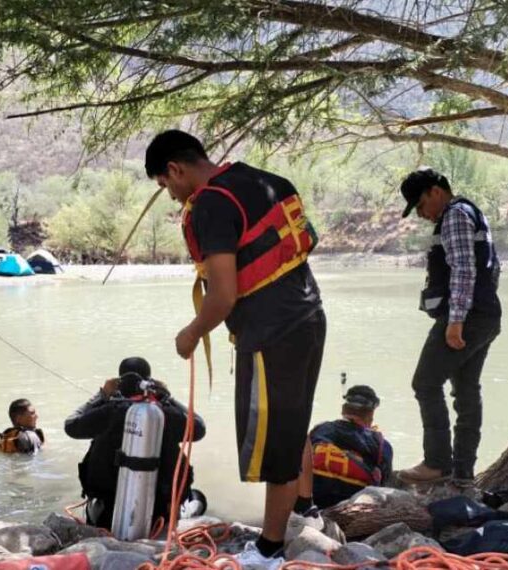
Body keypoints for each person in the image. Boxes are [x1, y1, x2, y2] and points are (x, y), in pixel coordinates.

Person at [146, 130, 325, 569]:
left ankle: (269, 549)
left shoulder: (211, 203)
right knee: (292, 424)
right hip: (309, 316)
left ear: (175, 169)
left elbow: (224, 294)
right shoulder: (270, 181)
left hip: (271, 332)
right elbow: (307, 240)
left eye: (165, 184)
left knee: (274, 445)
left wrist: (191, 333)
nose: (170, 196)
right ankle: (303, 511)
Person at [395, 168, 502, 489]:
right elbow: (491, 269)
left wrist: (455, 322)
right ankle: (464, 473)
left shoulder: (454, 215)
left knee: (425, 383)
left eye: (420, 204)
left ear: (435, 192)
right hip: (485, 315)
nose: (421, 213)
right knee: (467, 391)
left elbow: (464, 271)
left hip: (466, 317)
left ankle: (437, 463)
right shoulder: (472, 212)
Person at [65, 357, 207, 531]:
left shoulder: (108, 411)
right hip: (162, 511)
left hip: (107, 513)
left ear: (119, 381)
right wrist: (167, 397)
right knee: (197, 497)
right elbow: (199, 427)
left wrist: (102, 394)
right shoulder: (163, 413)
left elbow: (71, 425)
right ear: (148, 381)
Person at [304, 385, 394, 508]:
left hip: (312, 504)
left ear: (343, 410)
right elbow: (384, 486)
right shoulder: (382, 445)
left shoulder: (320, 430)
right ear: (371, 414)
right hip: (355, 508)